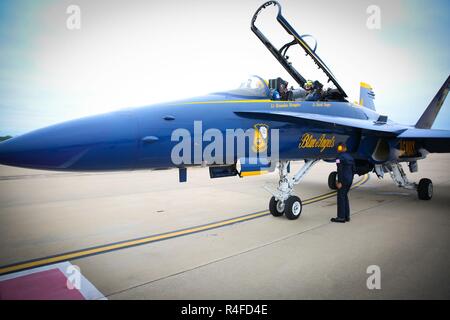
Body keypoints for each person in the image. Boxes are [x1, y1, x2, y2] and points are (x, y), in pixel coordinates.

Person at [331, 143, 355, 223]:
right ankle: (347, 216)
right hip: (349, 179)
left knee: (341, 197)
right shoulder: (351, 157)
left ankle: (341, 217)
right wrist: (350, 179)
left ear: (341, 148)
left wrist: (339, 181)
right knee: (345, 197)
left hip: (343, 179)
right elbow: (353, 170)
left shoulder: (339, 157)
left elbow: (339, 169)